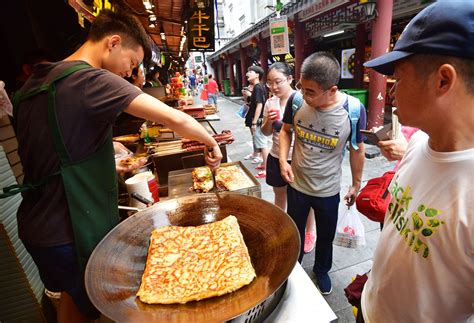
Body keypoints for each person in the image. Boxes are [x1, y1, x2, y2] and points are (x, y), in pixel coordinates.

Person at [6, 9, 222, 322]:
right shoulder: (90, 79)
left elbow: (54, 142)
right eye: (132, 63)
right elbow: (175, 118)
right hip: (71, 230)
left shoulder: (35, 84)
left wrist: (105, 149)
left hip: (37, 225)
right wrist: (211, 143)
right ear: (113, 43)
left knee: (73, 298)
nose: (128, 73)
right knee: (98, 309)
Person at [359, 2, 473, 322]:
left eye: (398, 78)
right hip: (368, 309)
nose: (391, 93)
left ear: (442, 81)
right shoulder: (418, 143)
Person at [279, 52, 366, 295]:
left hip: (328, 189)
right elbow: (286, 131)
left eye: (310, 92)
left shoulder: (353, 110)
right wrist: (283, 162)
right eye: (301, 87)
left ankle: (321, 270)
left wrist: (355, 185)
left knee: (326, 235)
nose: (303, 95)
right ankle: (293, 268)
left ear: (332, 90)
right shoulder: (296, 101)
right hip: (297, 184)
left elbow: (357, 149)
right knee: (294, 232)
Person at [260, 62, 316, 253]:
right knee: (279, 195)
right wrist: (268, 120)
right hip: (276, 156)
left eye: (278, 82)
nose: (274, 87)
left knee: (305, 200)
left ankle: (310, 231)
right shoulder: (270, 102)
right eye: (269, 83)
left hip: (299, 159)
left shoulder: (302, 100)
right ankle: (279, 227)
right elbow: (266, 132)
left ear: (290, 79)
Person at [245, 65, 268, 178]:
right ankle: (264, 163)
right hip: (260, 119)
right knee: (260, 142)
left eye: (250, 72)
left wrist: (254, 122)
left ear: (257, 75)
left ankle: (267, 169)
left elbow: (259, 105)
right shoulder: (260, 87)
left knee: (262, 144)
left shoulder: (258, 87)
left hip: (258, 120)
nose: (247, 74)